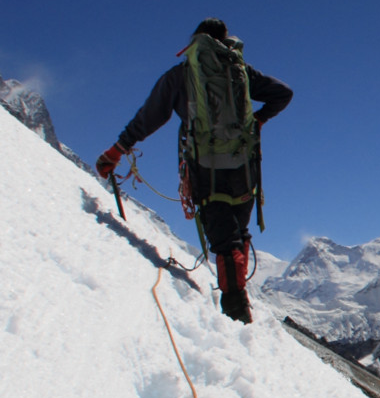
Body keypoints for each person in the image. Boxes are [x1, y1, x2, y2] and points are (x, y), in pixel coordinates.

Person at [95, 18, 293, 324]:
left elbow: (148, 118)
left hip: (205, 169)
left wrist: (117, 150)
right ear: (225, 41)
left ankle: (236, 313)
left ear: (195, 42)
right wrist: (259, 119)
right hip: (244, 167)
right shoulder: (240, 72)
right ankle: (239, 304)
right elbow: (283, 93)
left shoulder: (181, 75)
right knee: (238, 234)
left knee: (223, 241)